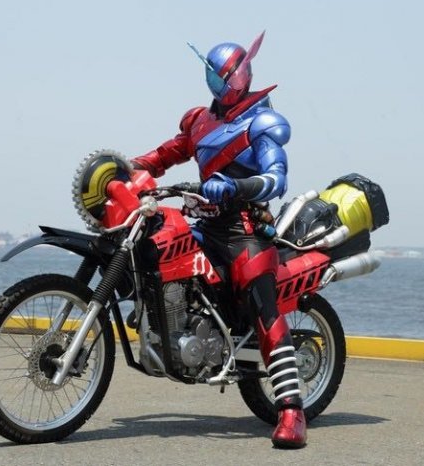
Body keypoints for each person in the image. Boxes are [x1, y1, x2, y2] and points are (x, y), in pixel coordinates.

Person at [131, 32, 306, 449]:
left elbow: (276, 178)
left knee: (263, 305)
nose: (215, 85)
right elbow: (166, 154)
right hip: (205, 226)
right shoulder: (200, 121)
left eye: (220, 78)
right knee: (153, 251)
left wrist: (235, 187)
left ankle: (291, 409)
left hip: (243, 230)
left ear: (240, 77)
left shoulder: (262, 123)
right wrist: (128, 166)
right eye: (210, 77)